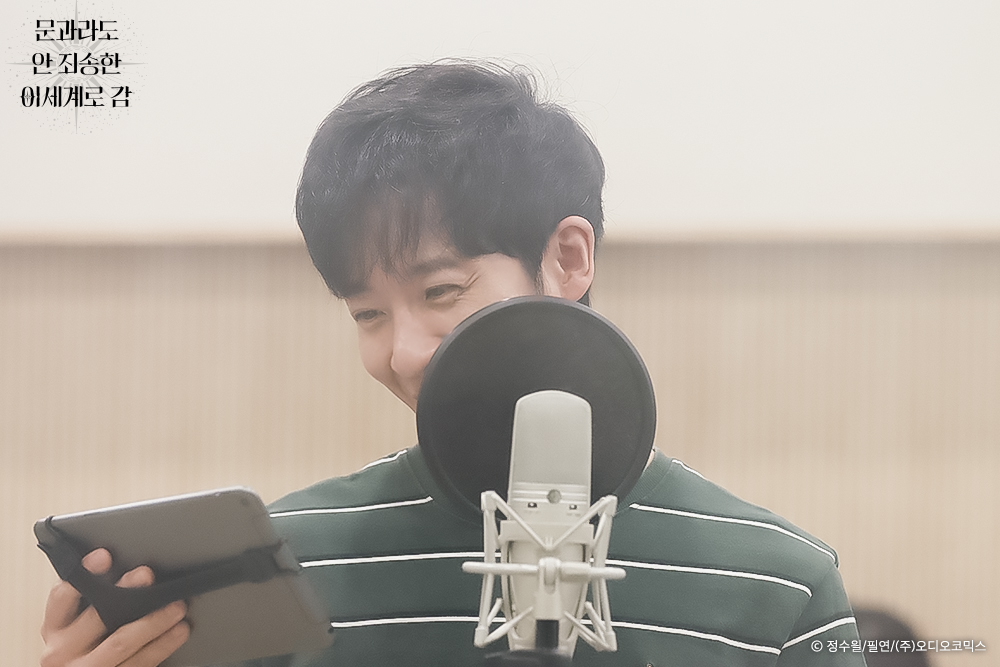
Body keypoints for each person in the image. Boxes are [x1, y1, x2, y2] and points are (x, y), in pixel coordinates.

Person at [40, 61, 866, 667]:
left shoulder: (779, 585)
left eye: (440, 290)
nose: (402, 352)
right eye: (367, 313)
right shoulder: (289, 564)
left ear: (567, 258)